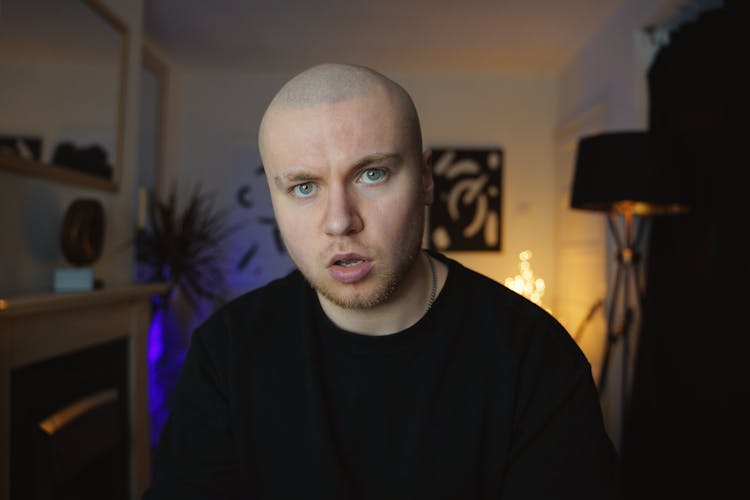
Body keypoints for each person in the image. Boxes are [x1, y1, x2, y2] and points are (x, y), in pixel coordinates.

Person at [144, 62, 618, 500]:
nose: (339, 222)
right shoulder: (225, 355)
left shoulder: (534, 358)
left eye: (372, 174)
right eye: (304, 187)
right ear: (275, 197)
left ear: (427, 180)